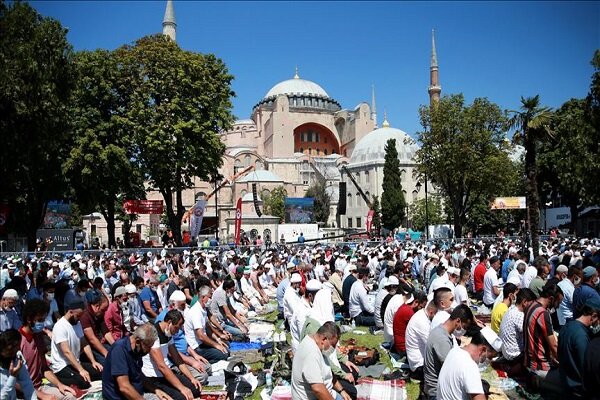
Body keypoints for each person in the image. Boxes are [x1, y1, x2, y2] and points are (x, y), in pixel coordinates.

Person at [19, 299, 77, 400]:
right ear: (29, 319)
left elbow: (45, 369)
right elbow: (14, 380)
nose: (42, 323)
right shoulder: (17, 341)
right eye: (40, 320)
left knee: (69, 396)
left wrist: (60, 385)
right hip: (22, 392)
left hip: (39, 386)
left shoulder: (38, 336)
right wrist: (42, 396)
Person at [141, 310, 201, 400]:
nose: (177, 332)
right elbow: (161, 366)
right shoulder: (153, 334)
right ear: (169, 322)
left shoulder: (168, 333)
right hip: (154, 377)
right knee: (182, 397)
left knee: (195, 389)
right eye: (176, 328)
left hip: (165, 373)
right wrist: (182, 388)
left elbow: (177, 358)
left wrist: (191, 378)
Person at [50, 298, 103, 389]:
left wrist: (93, 361)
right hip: (63, 365)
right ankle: (57, 380)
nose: (79, 319)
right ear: (70, 312)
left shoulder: (77, 324)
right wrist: (81, 370)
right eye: (78, 316)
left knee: (98, 372)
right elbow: (66, 351)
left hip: (75, 362)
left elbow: (84, 343)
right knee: (83, 382)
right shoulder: (60, 326)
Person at [424, 304, 475, 399]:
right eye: (465, 327)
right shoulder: (442, 339)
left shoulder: (441, 330)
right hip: (435, 392)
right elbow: (452, 370)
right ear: (458, 321)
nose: (464, 331)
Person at [436, 327, 502, 400]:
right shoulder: (469, 366)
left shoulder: (454, 351)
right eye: (490, 357)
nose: (488, 360)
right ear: (483, 349)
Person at [291, 321, 351, 400]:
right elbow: (318, 389)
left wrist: (342, 391)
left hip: (328, 392)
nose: (333, 348)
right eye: (333, 345)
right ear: (324, 339)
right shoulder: (311, 353)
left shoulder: (319, 346)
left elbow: (328, 373)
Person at [523, 283, 563, 395]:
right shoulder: (543, 313)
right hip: (539, 366)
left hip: (529, 362)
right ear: (551, 298)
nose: (558, 306)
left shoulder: (531, 306)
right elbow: (554, 346)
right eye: (558, 302)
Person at [557, 298, 600, 398]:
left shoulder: (567, 327)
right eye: (598, 320)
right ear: (593, 316)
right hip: (577, 390)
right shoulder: (582, 336)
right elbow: (586, 368)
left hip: (565, 383)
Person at [184, 286, 229, 363]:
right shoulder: (196, 312)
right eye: (209, 297)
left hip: (203, 342)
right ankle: (204, 362)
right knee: (224, 354)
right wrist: (216, 345)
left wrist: (217, 340)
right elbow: (201, 336)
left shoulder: (203, 309)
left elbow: (207, 328)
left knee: (226, 345)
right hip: (197, 347)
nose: (211, 299)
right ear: (203, 297)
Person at [498, 288, 536, 375]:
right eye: (531, 304)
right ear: (525, 302)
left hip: (506, 352)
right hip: (513, 355)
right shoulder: (519, 315)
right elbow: (531, 334)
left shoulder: (511, 309)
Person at [0, 329, 36, 400]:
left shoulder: (16, 358)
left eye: (16, 349)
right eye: (10, 352)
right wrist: (13, 376)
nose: (13, 354)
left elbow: (27, 385)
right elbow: (3, 397)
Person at [392, 291, 428, 357]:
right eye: (421, 307)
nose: (421, 310)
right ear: (416, 302)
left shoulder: (405, 307)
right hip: (403, 349)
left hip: (399, 346)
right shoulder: (409, 312)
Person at [80, 289, 110, 364]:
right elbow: (91, 339)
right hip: (89, 347)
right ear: (97, 306)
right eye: (103, 310)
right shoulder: (85, 316)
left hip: (99, 343)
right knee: (107, 363)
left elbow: (106, 332)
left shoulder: (99, 314)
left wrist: (115, 345)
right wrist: (106, 353)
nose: (105, 312)